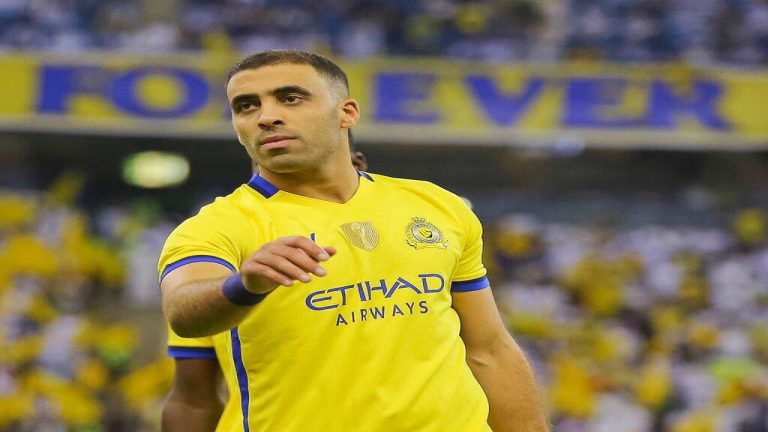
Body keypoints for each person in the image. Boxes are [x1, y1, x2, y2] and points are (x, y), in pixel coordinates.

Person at [158, 49, 548, 432]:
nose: (267, 116)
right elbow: (183, 310)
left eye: (290, 98)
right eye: (246, 106)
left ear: (347, 112)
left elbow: (490, 350)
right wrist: (244, 285)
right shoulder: (215, 227)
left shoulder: (436, 206)